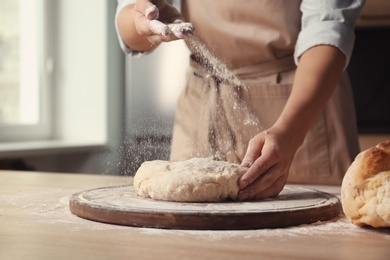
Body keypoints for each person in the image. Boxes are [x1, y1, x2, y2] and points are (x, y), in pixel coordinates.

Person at [115, 0, 365, 201]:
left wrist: (290, 132)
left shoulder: (295, 123)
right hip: (203, 102)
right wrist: (143, 19)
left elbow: (328, 29)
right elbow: (131, 26)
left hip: (298, 109)